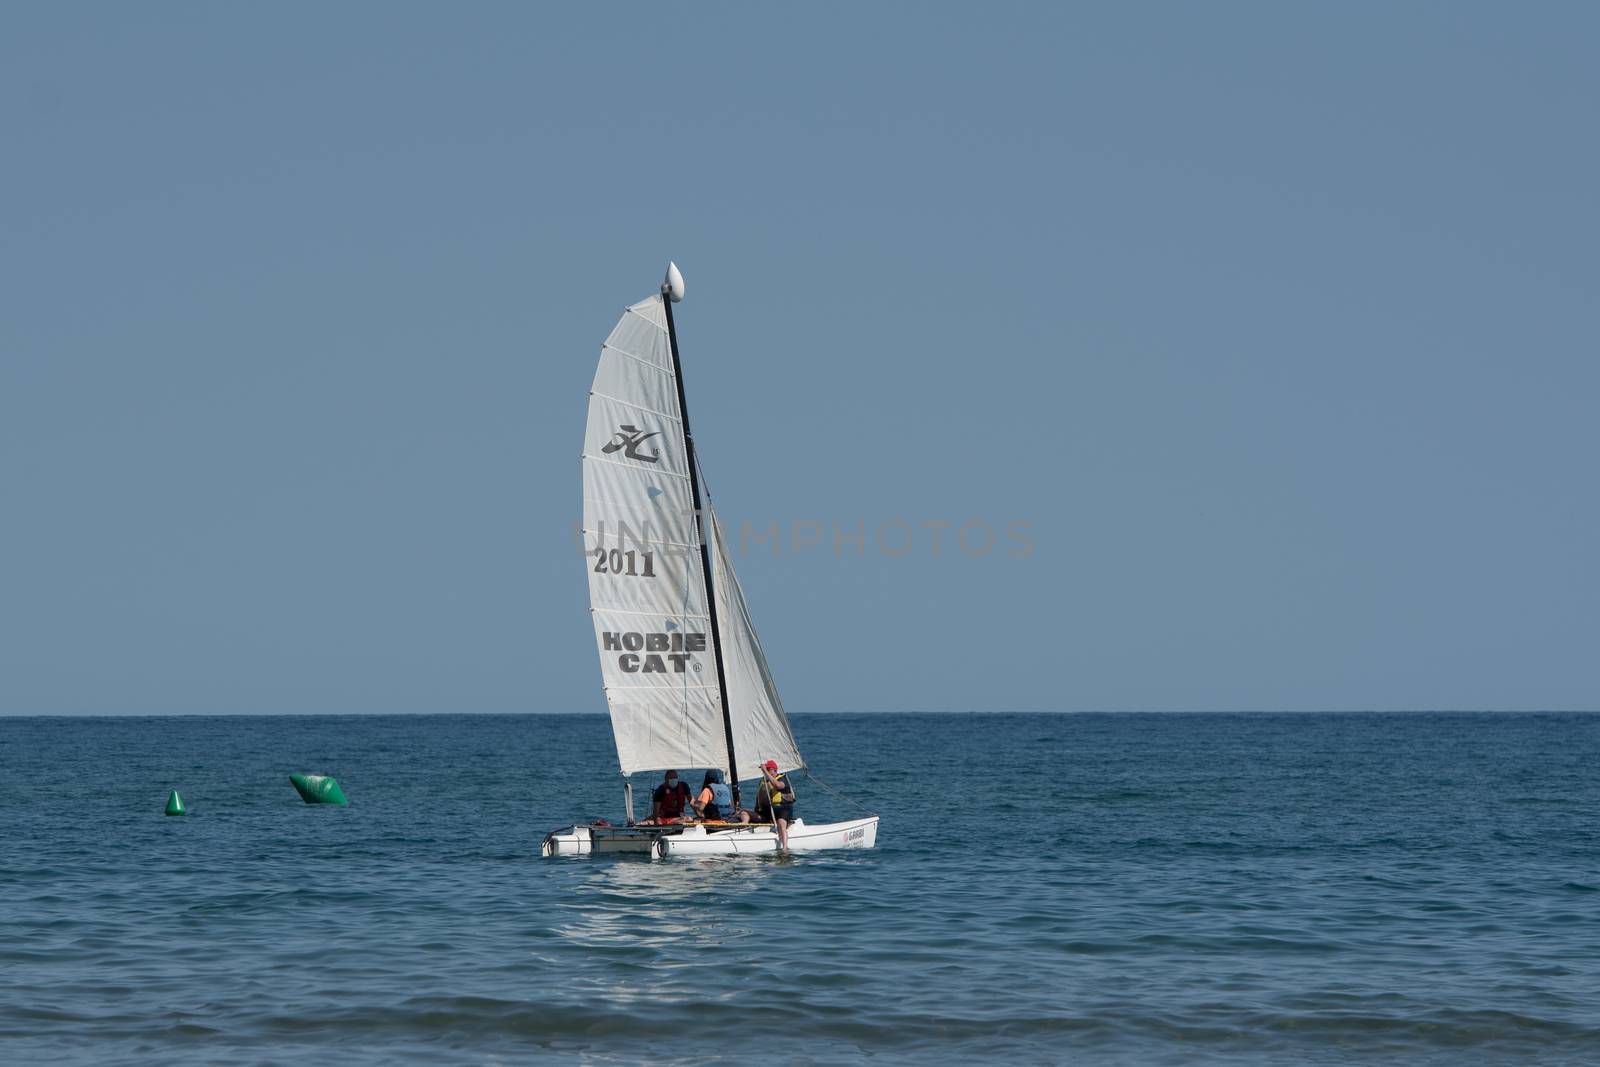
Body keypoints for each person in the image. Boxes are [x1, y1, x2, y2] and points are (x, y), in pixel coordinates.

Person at [756, 759, 796, 852]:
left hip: (784, 809)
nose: (764, 772)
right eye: (765, 770)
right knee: (745, 812)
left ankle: (785, 847)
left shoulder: (782, 779)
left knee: (781, 823)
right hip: (771, 810)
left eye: (767, 769)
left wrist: (765, 772)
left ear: (773, 770)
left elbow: (778, 786)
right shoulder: (764, 782)